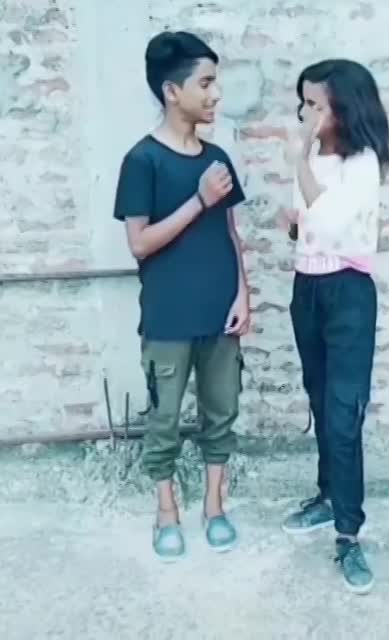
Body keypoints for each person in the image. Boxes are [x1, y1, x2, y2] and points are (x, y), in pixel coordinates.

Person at [113, 31, 249, 560]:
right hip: (168, 316)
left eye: (216, 82)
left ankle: (215, 506)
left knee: (221, 412)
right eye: (206, 83)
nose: (216, 94)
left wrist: (244, 294)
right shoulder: (142, 160)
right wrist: (198, 200)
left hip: (220, 313)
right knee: (164, 418)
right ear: (173, 91)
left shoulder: (217, 158)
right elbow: (140, 243)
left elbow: (230, 233)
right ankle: (165, 511)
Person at [281, 59, 389, 594]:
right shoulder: (312, 157)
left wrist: (296, 162)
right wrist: (294, 222)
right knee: (320, 399)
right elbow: (305, 223)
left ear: (344, 108)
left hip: (348, 292)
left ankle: (349, 534)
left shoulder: (362, 162)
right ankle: (328, 497)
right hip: (307, 288)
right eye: (303, 103)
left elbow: (326, 220)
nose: (306, 114)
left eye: (316, 105)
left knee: (344, 411)